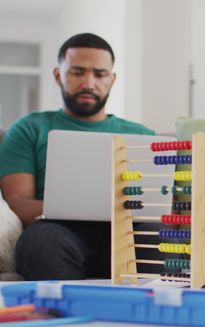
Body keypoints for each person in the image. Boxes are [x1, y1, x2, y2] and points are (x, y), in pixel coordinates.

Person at [0, 33, 157, 280]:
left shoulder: (142, 136)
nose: (89, 82)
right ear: (58, 75)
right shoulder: (29, 128)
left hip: (125, 234)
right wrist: (75, 211)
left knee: (158, 235)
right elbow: (18, 201)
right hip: (57, 232)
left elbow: (158, 203)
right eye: (77, 72)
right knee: (41, 241)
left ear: (112, 80)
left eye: (99, 74)